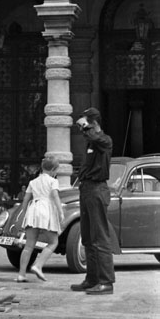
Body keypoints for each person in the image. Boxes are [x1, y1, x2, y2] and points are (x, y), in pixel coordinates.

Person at [70, 107, 115, 295]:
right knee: (88, 237)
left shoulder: (104, 140)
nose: (83, 130)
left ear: (94, 123)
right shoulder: (91, 142)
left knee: (100, 237)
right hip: (87, 189)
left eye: (85, 124)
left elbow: (97, 139)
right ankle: (92, 279)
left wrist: (88, 128)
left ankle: (106, 282)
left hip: (97, 189)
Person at [17, 156, 64, 282]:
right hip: (46, 210)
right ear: (53, 170)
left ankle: (21, 274)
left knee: (29, 245)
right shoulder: (53, 181)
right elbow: (55, 196)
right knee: (53, 242)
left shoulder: (33, 182)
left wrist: (25, 214)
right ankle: (38, 265)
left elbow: (25, 200)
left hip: (33, 209)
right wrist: (60, 212)